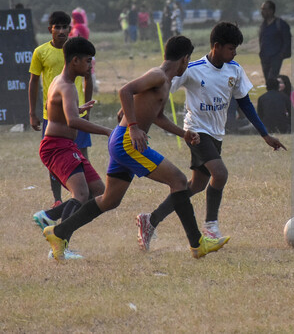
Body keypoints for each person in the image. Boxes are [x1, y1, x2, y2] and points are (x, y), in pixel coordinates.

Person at [43, 36, 229, 261]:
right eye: (188, 61)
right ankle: (197, 244)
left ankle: (58, 232)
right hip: (126, 142)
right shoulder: (158, 75)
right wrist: (132, 126)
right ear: (184, 59)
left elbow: (157, 116)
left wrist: (184, 134)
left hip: (123, 142)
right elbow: (125, 91)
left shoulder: (166, 82)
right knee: (179, 181)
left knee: (109, 200)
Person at [135, 22, 286, 250]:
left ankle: (151, 219)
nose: (234, 53)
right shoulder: (193, 69)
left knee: (195, 186)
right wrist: (145, 116)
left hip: (216, 134)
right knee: (221, 173)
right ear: (216, 46)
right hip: (196, 132)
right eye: (231, 48)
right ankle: (210, 226)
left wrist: (264, 134)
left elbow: (244, 102)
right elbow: (163, 83)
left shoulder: (234, 70)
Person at [33, 37, 111, 260]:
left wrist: (76, 108)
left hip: (66, 145)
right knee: (81, 194)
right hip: (57, 146)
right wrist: (107, 131)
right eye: (87, 61)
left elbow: (60, 111)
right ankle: (59, 245)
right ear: (74, 60)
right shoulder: (67, 86)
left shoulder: (61, 81)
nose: (89, 66)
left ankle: (49, 216)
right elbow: (72, 122)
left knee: (98, 191)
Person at [29, 11, 94, 208]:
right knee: (56, 159)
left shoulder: (75, 50)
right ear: (50, 29)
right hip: (54, 115)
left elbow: (88, 78)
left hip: (77, 112)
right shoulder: (40, 52)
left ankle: (83, 195)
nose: (62, 30)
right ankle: (57, 199)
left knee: (80, 154)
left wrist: (87, 107)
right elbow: (34, 82)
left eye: (65, 26)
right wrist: (32, 113)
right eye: (57, 27)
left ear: (70, 29)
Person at [259, 0, 291, 83]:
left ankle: (275, 93)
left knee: (272, 78)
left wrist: (281, 54)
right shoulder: (263, 25)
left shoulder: (281, 24)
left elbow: (287, 40)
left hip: (276, 56)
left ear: (271, 10)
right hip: (264, 57)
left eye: (264, 9)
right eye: (262, 9)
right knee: (267, 79)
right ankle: (272, 94)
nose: (262, 12)